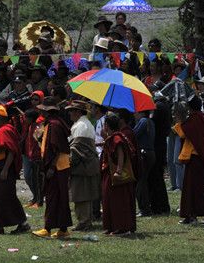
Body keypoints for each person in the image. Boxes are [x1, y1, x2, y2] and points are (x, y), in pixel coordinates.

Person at [0, 104, 30, 234]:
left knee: (6, 196)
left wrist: (5, 169)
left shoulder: (5, 130)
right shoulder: (0, 130)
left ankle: (23, 223)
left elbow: (11, 151)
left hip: (4, 168)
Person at [33, 97, 72, 239]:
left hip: (57, 166)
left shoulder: (54, 125)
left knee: (53, 197)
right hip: (61, 166)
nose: (41, 113)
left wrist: (51, 167)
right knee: (60, 197)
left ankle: (47, 228)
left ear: (48, 112)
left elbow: (57, 149)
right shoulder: (54, 123)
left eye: (43, 110)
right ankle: (63, 229)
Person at [173, 96, 204, 225]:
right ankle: (191, 215)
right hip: (195, 157)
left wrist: (179, 121)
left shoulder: (195, 118)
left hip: (196, 157)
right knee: (190, 188)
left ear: (191, 107)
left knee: (198, 187)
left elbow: (183, 133)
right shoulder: (199, 117)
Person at [100, 112, 137, 235]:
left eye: (104, 124)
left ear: (107, 125)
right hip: (109, 174)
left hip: (117, 176)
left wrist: (119, 171)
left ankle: (122, 228)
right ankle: (112, 226)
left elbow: (120, 153)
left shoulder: (117, 138)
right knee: (108, 201)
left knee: (118, 202)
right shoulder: (112, 137)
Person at [66, 101, 99, 231]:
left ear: (78, 112)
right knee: (84, 194)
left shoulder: (81, 126)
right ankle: (85, 220)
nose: (69, 113)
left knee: (81, 194)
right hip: (87, 164)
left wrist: (70, 163)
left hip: (82, 165)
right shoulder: (84, 123)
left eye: (71, 111)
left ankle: (84, 221)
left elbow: (76, 148)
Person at [132, 109, 156, 217]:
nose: (134, 114)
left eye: (136, 112)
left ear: (141, 112)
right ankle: (145, 207)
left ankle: (144, 209)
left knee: (140, 183)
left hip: (144, 154)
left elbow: (133, 134)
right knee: (143, 181)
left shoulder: (143, 121)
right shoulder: (150, 121)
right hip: (150, 153)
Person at [22, 109, 44, 208]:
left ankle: (39, 201)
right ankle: (35, 198)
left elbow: (38, 142)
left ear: (31, 118)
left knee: (37, 180)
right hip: (29, 156)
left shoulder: (38, 127)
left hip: (37, 157)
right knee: (30, 178)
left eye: (26, 117)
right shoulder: (30, 126)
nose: (24, 119)